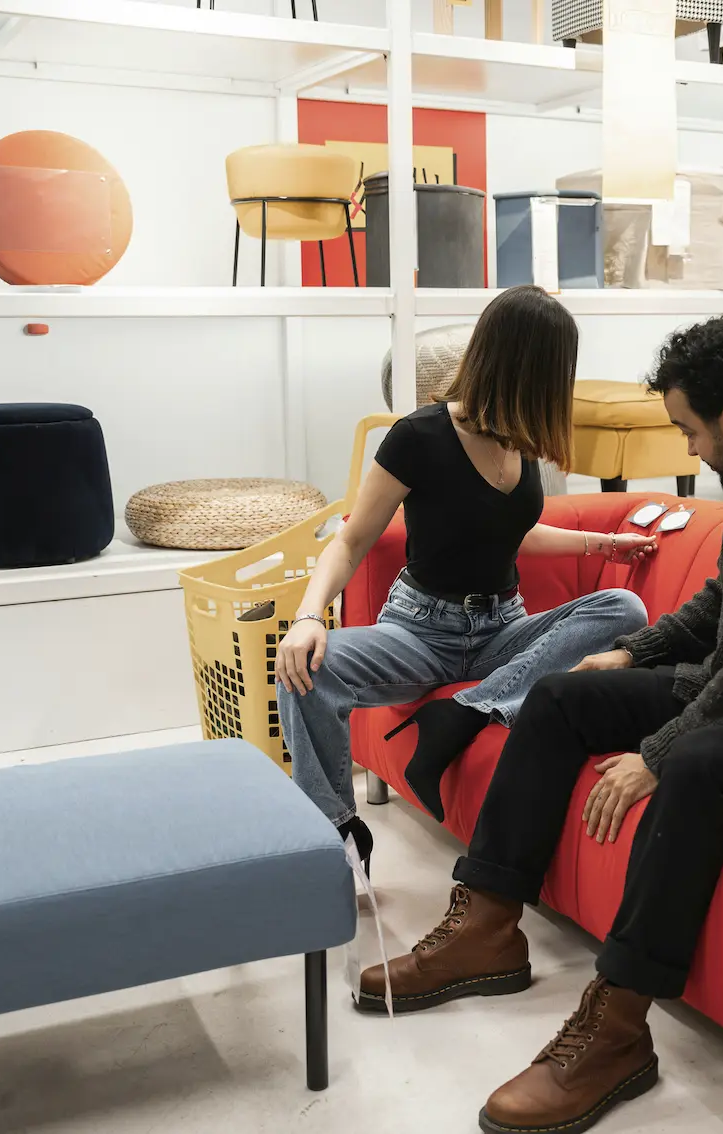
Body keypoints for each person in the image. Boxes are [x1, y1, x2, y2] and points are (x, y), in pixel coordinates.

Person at [357, 315, 723, 1132]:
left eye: (689, 430)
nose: (689, 448)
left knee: (693, 766)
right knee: (561, 697)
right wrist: (632, 652)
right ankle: (485, 929)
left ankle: (617, 1028)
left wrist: (656, 751)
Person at [274, 286, 655, 868]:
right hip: (420, 632)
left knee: (624, 609)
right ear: (525, 366)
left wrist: (603, 543)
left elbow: (511, 532)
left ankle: (470, 710)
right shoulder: (419, 436)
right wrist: (308, 617)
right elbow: (350, 540)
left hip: (503, 631)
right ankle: (335, 837)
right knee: (305, 671)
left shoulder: (522, 442)